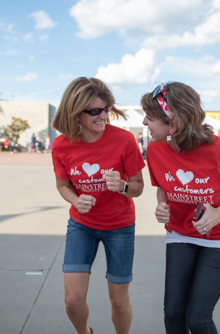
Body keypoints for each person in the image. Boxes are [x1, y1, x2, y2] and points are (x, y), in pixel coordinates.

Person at [141, 82, 220, 334]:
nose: (144, 123)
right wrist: (162, 205)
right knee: (173, 314)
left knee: (197, 319)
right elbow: (162, 186)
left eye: (149, 118)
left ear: (172, 124)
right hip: (180, 234)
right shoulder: (155, 149)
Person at [51, 77, 145, 334]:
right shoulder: (60, 145)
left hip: (120, 227)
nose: (103, 116)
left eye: (106, 109)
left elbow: (138, 186)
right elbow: (63, 186)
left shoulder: (124, 140)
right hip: (82, 226)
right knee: (72, 301)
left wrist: (122, 186)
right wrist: (76, 200)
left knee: (118, 299)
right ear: (75, 113)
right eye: (95, 111)